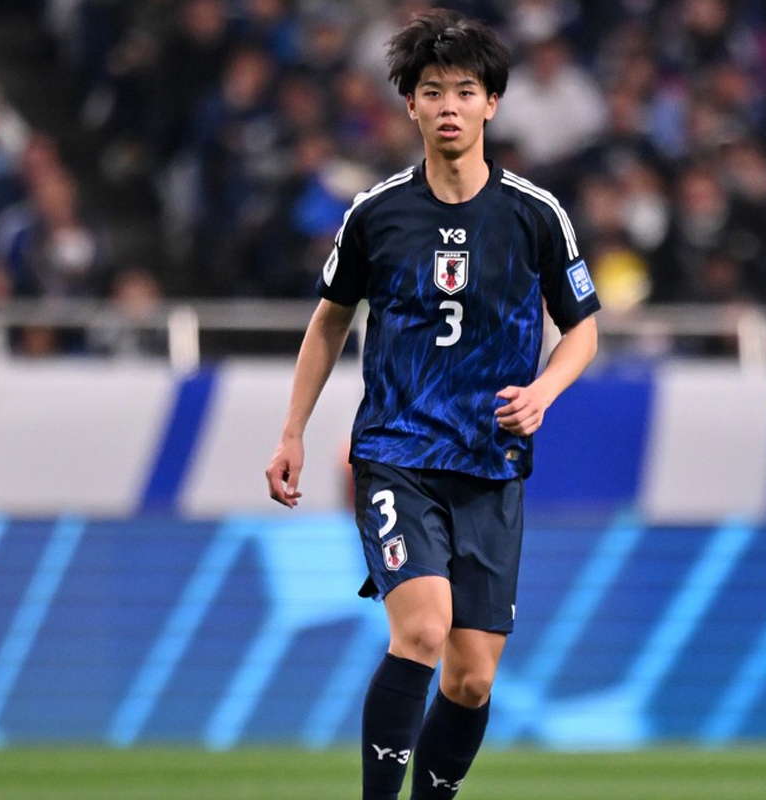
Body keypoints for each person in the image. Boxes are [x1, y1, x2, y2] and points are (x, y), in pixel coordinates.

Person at [264, 10, 600, 800]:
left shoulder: (534, 215)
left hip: (490, 464)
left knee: (472, 678)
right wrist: (293, 433)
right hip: (398, 455)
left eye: (466, 91)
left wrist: (544, 393)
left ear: (492, 104)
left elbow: (583, 329)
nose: (450, 106)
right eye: (433, 91)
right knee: (420, 629)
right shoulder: (377, 214)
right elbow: (329, 322)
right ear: (410, 104)